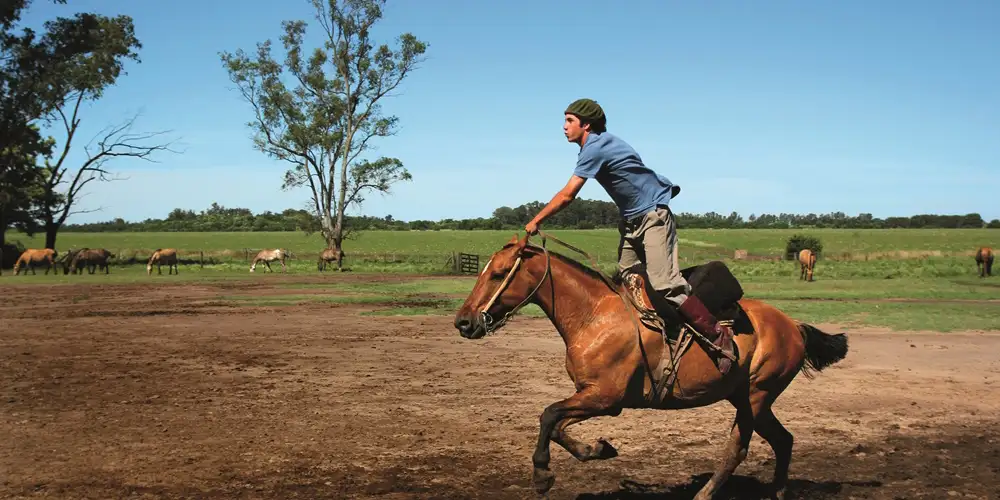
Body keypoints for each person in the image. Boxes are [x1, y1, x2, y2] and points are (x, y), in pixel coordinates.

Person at [523, 98, 735, 374]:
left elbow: (568, 195)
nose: (564, 127)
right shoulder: (599, 145)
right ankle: (649, 340)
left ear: (586, 125)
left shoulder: (594, 147)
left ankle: (718, 337)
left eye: (569, 121)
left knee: (665, 284)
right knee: (627, 279)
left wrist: (537, 220)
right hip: (632, 221)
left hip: (653, 217)